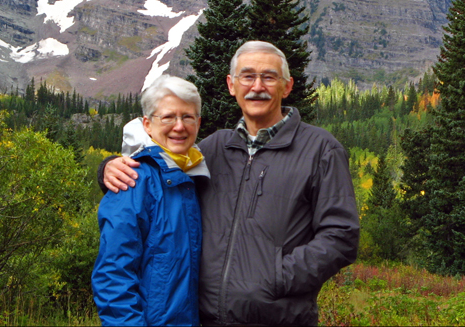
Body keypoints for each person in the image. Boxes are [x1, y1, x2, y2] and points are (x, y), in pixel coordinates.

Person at [100, 41, 359, 326]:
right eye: (247, 76)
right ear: (231, 85)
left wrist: (275, 278)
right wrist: (109, 166)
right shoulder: (212, 149)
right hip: (202, 319)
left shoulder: (321, 149)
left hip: (279, 318)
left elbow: (341, 235)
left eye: (269, 77)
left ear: (286, 87)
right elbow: (161, 169)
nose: (257, 86)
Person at [92, 75, 210, 326]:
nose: (179, 126)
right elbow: (113, 276)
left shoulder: (199, 175)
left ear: (198, 123)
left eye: (188, 117)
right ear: (147, 124)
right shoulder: (132, 180)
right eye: (167, 117)